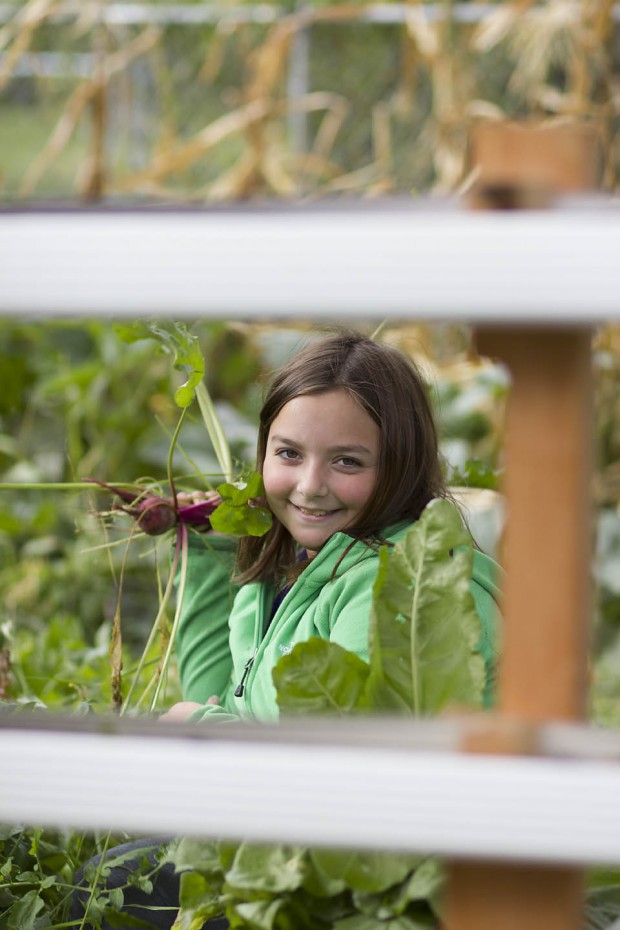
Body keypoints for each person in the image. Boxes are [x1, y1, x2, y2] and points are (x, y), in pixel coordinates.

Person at [71, 329, 501, 929]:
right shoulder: (293, 567)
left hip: (391, 878)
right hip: (298, 841)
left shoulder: (404, 584)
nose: (309, 486)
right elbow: (220, 692)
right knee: (115, 858)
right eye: (289, 454)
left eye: (347, 461)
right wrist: (208, 554)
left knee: (112, 889)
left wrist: (200, 726)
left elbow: (347, 767)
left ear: (399, 466)